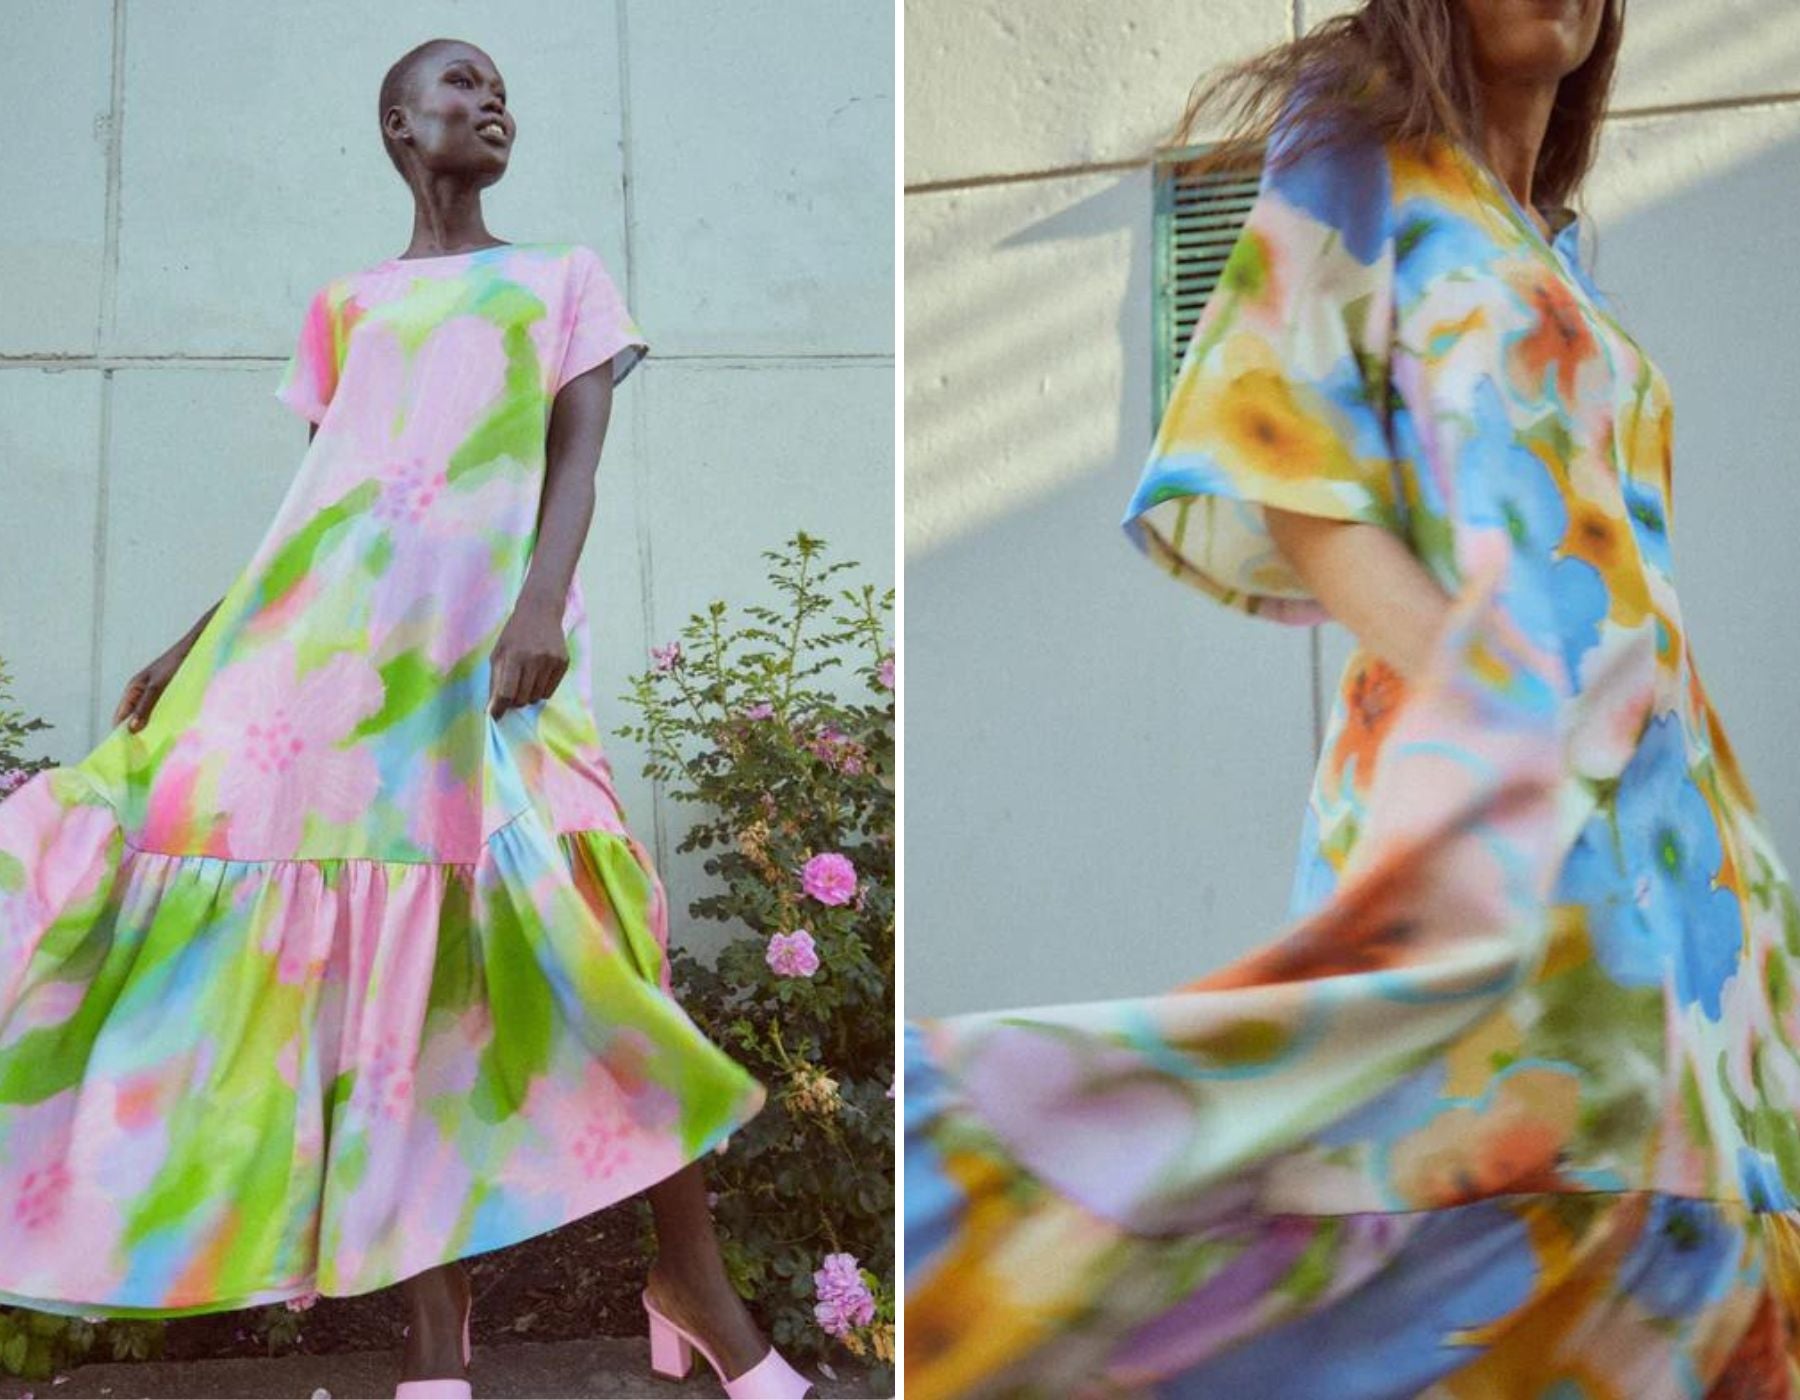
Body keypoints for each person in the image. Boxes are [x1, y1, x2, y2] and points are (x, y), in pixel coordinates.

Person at [905, 0, 1800, 1394]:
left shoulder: (1544, 239)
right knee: (1457, 1193)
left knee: (1685, 1238)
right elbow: (1289, 465)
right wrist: (1493, 717)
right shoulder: (1362, 140)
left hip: (1680, 848)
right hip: (1495, 798)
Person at [0, 36, 813, 1400]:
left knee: (597, 956)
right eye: (462, 83)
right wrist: (196, 640)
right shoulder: (346, 304)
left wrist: (542, 601)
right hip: (342, 676)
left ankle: (698, 1291)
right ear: (397, 123)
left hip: (495, 657)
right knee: (403, 984)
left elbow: (575, 455)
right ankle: (439, 1345)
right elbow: (325, 510)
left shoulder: (561, 277)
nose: (493, 102)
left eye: (503, 90)